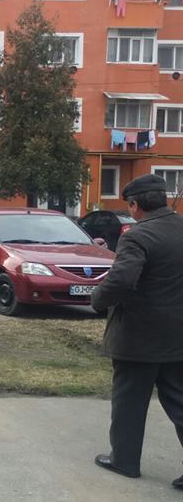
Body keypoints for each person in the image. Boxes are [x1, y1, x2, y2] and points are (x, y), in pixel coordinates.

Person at [90, 174, 183, 487]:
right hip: (178, 334)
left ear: (135, 205)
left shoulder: (138, 236)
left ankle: (124, 461)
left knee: (130, 400)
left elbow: (122, 279)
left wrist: (98, 299)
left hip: (139, 335)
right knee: (179, 400)